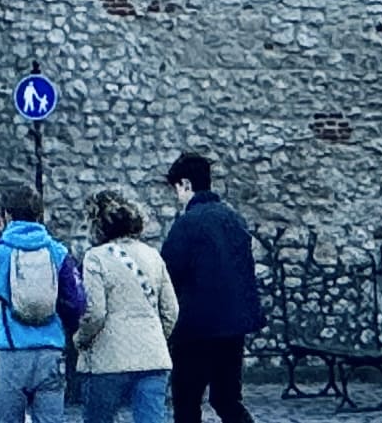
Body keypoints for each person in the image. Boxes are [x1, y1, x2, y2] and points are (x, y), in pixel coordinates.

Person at [0, 182, 84, 423]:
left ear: (7, 215)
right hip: (50, 350)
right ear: (39, 214)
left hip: (11, 352)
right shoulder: (58, 252)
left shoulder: (0, 253)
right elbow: (76, 303)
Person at [157, 155, 263, 423]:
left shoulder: (187, 224)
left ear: (185, 184)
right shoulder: (234, 220)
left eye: (176, 188)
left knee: (187, 403)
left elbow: (168, 274)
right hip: (233, 327)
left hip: (196, 329)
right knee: (227, 399)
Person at [73, 193, 179, 423]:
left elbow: (95, 312)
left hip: (108, 358)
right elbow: (171, 310)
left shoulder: (95, 257)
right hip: (153, 355)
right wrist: (156, 335)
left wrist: (80, 339)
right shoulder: (153, 256)